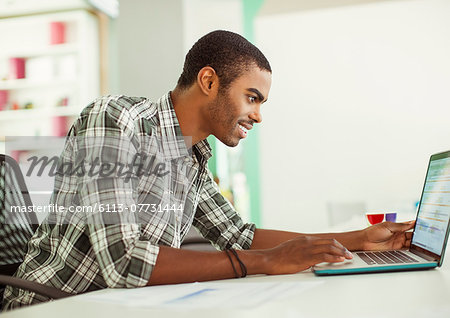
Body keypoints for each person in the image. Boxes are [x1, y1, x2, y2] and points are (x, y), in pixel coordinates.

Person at [2, 30, 414, 310]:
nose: (257, 115)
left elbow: (238, 234)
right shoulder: (115, 119)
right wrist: (265, 261)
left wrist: (359, 239)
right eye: (252, 98)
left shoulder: (193, 157)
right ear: (209, 81)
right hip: (53, 305)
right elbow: (124, 262)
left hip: (121, 307)